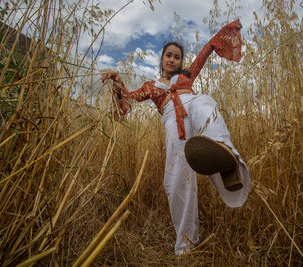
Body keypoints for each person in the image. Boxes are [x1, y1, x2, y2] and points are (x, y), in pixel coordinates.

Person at [102, 19, 250, 255]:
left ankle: (225, 155)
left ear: (181, 62)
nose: (172, 59)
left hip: (192, 104)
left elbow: (207, 50)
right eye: (168, 55)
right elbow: (128, 99)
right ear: (162, 58)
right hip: (173, 120)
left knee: (205, 105)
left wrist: (226, 32)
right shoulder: (150, 87)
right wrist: (117, 80)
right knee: (178, 182)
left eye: (177, 57)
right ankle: (186, 244)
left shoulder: (187, 76)